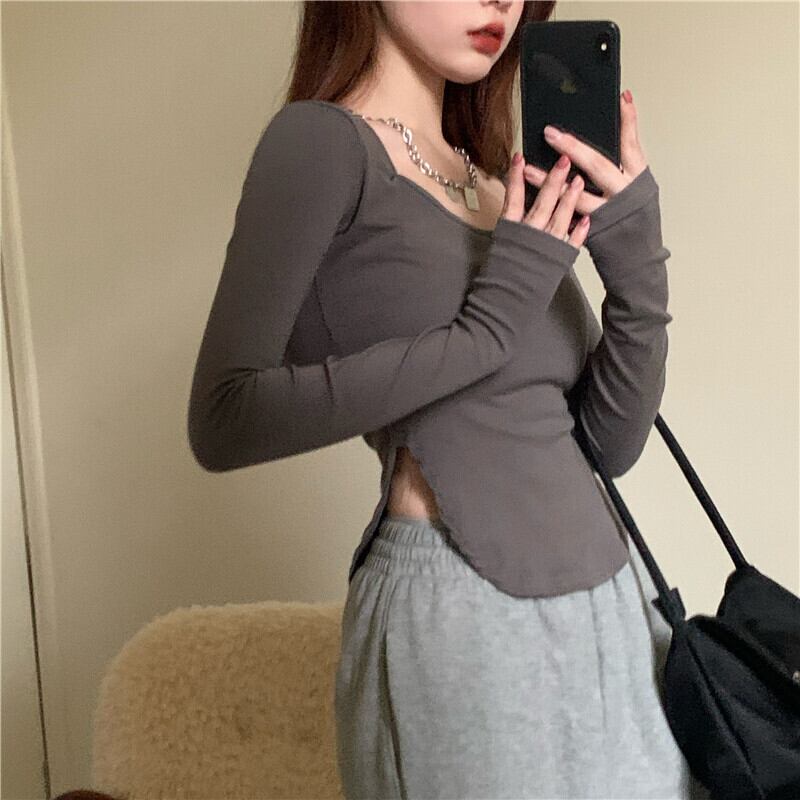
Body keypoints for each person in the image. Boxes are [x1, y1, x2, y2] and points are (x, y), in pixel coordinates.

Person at [188, 1, 712, 798]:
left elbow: (609, 447)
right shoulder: (321, 145)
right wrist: (488, 327)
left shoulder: (491, 176)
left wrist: (636, 266)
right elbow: (225, 418)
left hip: (617, 607)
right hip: (467, 618)